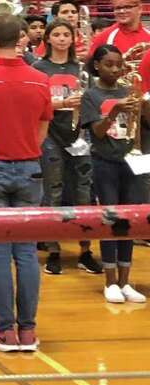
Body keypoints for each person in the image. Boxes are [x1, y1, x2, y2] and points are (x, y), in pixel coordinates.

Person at [0, 14, 53, 352]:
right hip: (29, 167)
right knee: (27, 251)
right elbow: (43, 130)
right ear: (20, 38)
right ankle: (27, 330)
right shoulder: (39, 79)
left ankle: (5, 329)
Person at [32, 19, 101, 275]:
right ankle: (53, 250)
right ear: (48, 39)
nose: (62, 38)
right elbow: (36, 106)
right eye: (57, 34)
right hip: (50, 135)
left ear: (73, 39)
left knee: (84, 192)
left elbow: (92, 101)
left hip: (78, 135)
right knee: (53, 191)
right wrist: (60, 104)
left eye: (66, 34)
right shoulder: (38, 68)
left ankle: (85, 250)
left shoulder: (81, 68)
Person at [83, 45, 150, 304]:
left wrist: (142, 108)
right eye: (109, 64)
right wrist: (113, 111)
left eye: (118, 64)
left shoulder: (129, 92)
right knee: (110, 219)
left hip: (130, 162)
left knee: (129, 221)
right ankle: (110, 280)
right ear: (97, 65)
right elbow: (98, 133)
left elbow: (142, 128)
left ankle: (125, 281)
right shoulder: (91, 95)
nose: (115, 69)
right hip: (104, 163)